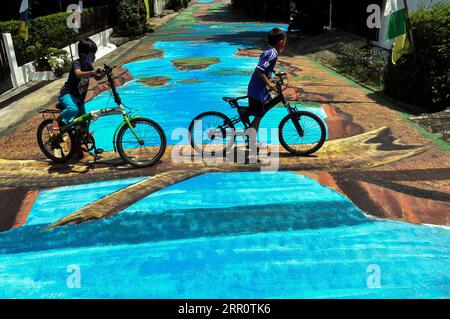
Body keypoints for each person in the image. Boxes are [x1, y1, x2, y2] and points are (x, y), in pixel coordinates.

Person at [52, 38, 105, 155]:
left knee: (85, 122)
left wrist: (104, 73)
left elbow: (97, 77)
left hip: (79, 99)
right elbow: (78, 73)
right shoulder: (76, 63)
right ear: (83, 55)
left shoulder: (89, 65)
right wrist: (93, 71)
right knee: (73, 109)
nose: (93, 58)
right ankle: (57, 120)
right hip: (67, 94)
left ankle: (78, 146)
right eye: (92, 55)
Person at [247, 28, 286, 134]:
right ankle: (251, 140)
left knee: (261, 113)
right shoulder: (272, 54)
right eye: (284, 42)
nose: (284, 45)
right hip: (257, 90)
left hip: (259, 89)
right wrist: (270, 84)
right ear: (280, 42)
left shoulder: (269, 51)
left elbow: (265, 66)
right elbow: (259, 70)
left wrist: (274, 71)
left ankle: (250, 134)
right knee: (259, 116)